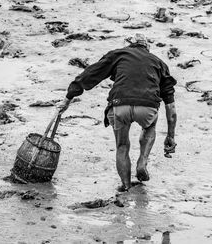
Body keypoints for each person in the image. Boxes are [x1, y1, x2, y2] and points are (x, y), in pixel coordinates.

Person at [57, 34, 177, 191]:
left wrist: (68, 98)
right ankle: (142, 160)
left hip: (119, 105)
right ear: (147, 48)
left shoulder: (118, 54)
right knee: (149, 126)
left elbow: (90, 74)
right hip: (147, 107)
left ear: (128, 45)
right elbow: (171, 109)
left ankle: (126, 186)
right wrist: (170, 136)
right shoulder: (159, 63)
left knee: (122, 146)